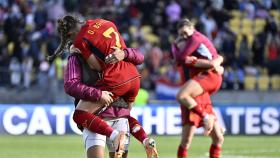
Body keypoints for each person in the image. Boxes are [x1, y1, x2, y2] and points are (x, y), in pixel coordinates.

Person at [64, 46, 158, 158]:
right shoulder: (112, 47)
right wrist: (144, 139)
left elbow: (71, 85)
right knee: (125, 115)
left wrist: (97, 94)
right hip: (118, 112)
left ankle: (115, 135)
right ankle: (118, 136)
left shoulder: (78, 56)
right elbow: (139, 56)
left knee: (79, 115)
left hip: (94, 117)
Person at [172, 19, 224, 158]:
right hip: (190, 98)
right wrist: (216, 62)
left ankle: (206, 118)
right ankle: (206, 117)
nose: (185, 40)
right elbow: (209, 62)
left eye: (186, 36)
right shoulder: (183, 58)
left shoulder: (194, 52)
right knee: (186, 141)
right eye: (181, 37)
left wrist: (216, 61)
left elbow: (213, 60)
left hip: (201, 94)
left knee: (218, 138)